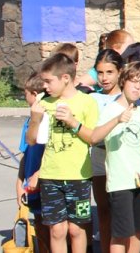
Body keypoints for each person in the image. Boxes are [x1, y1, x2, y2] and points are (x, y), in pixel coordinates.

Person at [30, 52, 99, 253]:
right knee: (57, 231)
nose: (45, 86)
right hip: (51, 176)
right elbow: (32, 140)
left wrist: (72, 121)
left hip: (79, 177)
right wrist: (34, 119)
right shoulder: (44, 102)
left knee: (76, 229)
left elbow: (93, 137)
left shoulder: (87, 102)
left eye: (49, 81)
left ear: (65, 78)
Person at [88, 61, 140, 253]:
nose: (137, 87)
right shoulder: (111, 109)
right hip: (120, 181)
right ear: (123, 81)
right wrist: (117, 120)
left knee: (138, 232)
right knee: (120, 233)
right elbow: (94, 138)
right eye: (133, 81)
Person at [89, 48, 125, 253]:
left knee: (122, 213)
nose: (104, 78)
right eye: (100, 72)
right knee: (103, 211)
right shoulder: (93, 99)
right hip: (99, 157)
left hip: (122, 158)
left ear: (120, 71)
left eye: (109, 72)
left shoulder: (128, 96)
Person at [17, 71, 50, 250]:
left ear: (35, 95)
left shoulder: (46, 120)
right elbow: (25, 153)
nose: (25, 98)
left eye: (26, 94)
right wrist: (19, 180)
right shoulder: (30, 121)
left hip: (44, 179)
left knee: (49, 224)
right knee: (38, 220)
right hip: (30, 182)